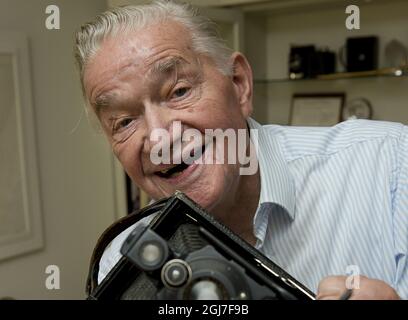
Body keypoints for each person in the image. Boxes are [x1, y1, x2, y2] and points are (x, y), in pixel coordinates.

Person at [74, 0, 406, 299]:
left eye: (179, 91)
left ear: (239, 84)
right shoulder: (123, 261)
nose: (160, 138)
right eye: (124, 121)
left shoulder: (390, 164)